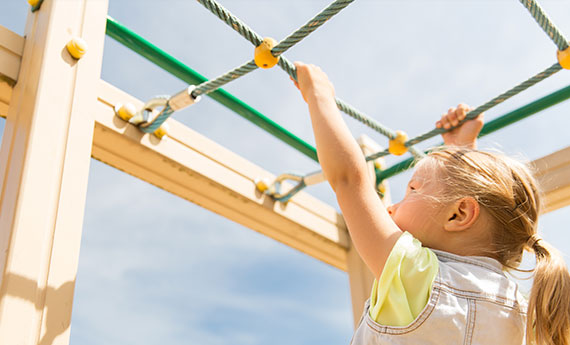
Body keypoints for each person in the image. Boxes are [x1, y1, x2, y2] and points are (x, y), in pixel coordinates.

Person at [291, 61, 570, 345]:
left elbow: (349, 181)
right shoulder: (522, 311)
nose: (389, 208)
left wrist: (320, 96)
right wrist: (461, 149)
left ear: (459, 214)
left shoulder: (415, 275)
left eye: (412, 189)